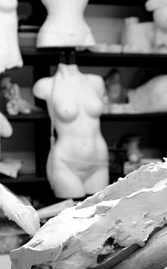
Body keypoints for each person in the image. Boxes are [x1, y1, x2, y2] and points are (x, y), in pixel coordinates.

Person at [32, 63, 109, 199]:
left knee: (99, 214)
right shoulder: (45, 85)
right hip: (66, 162)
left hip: (99, 161)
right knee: (70, 215)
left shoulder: (96, 81)